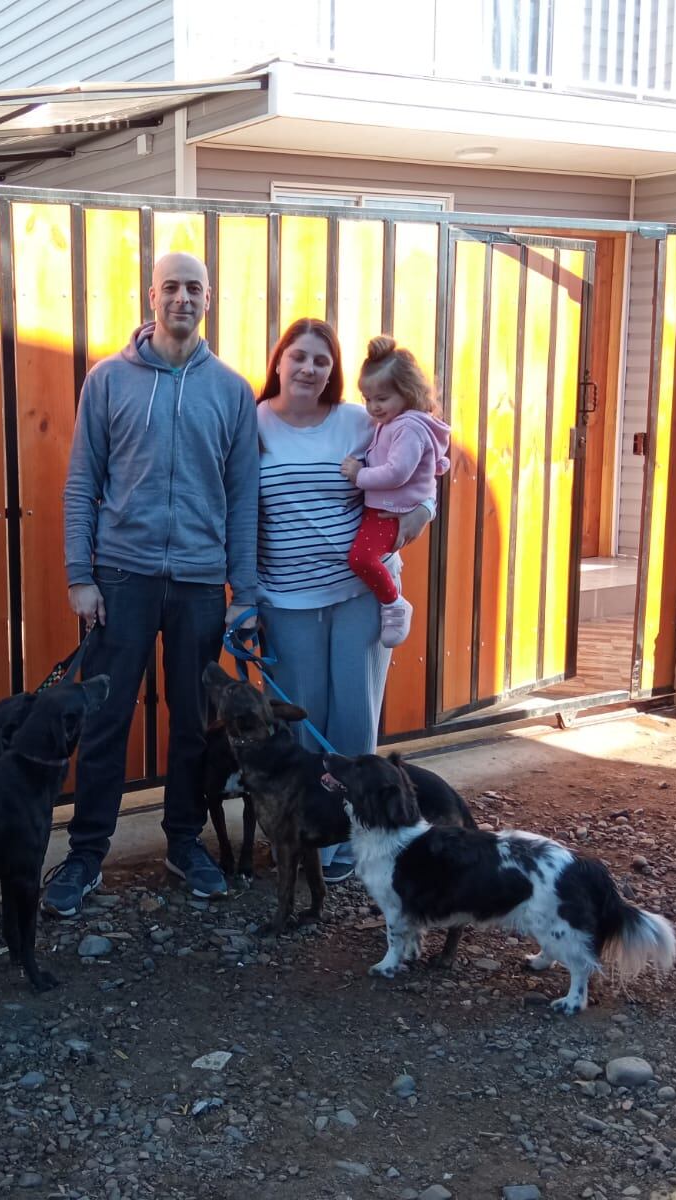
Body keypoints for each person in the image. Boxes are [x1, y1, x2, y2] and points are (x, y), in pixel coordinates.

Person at [44, 252, 260, 917]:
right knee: (106, 719)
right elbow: (82, 482)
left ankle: (183, 841)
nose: (182, 298)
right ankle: (86, 854)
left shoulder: (231, 390)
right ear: (152, 297)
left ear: (209, 297)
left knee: (194, 723)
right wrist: (81, 575)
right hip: (123, 577)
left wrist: (244, 592)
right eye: (171, 287)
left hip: (198, 583)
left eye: (194, 287)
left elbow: (242, 494)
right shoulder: (109, 380)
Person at [253, 318, 395, 885]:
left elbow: (423, 470)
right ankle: (306, 836)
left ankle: (348, 842)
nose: (310, 368)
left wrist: (414, 520)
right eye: (300, 356)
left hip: (356, 593)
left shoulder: (358, 422)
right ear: (279, 360)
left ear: (334, 371)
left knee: (354, 721)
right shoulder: (253, 423)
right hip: (283, 598)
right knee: (299, 728)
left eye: (322, 360)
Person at [342, 336, 451, 648]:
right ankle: (392, 602)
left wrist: (358, 474)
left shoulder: (408, 428)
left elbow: (397, 471)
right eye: (367, 399)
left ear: (407, 393)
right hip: (388, 506)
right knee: (362, 557)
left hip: (391, 510)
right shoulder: (394, 423)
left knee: (362, 558)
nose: (373, 407)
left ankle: (394, 604)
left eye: (382, 398)